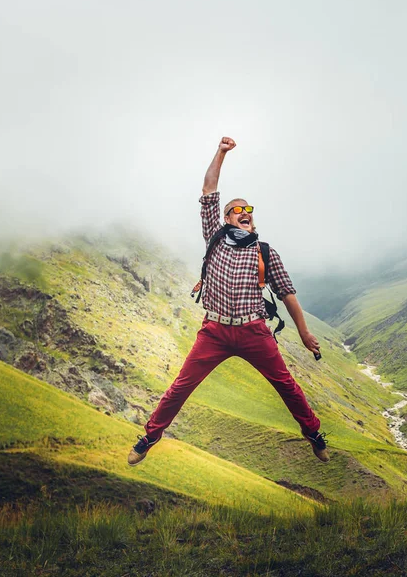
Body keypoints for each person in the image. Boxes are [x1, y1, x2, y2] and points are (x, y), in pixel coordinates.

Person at [128, 137, 329, 465]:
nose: (245, 212)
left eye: (248, 210)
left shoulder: (264, 252)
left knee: (287, 386)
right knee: (181, 387)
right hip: (216, 332)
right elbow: (209, 189)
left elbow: (287, 293)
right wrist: (221, 153)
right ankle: (150, 436)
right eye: (237, 210)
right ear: (225, 219)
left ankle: (313, 433)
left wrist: (305, 332)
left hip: (254, 332)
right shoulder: (214, 240)